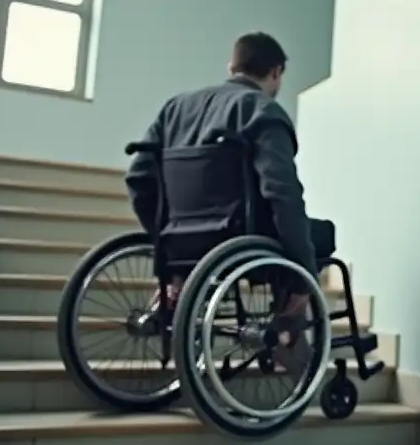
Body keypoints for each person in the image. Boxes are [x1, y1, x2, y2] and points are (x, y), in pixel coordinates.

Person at [125, 32, 316, 316]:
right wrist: (304, 276)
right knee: (312, 234)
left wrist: (164, 238)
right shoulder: (264, 110)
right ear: (276, 72)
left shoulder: (175, 108)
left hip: (180, 236)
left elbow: (139, 178)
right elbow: (281, 191)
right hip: (239, 235)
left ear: (231, 68)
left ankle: (178, 284)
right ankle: (289, 333)